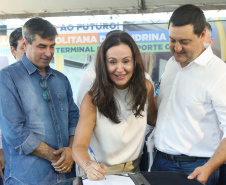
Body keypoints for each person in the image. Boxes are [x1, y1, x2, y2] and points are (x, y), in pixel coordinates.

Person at [151, 4, 226, 185]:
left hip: (194, 168)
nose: (177, 48)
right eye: (172, 40)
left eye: (184, 42)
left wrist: (208, 168)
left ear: (202, 36)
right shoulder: (171, 64)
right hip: (159, 161)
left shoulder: (219, 73)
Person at [0, 17, 79, 185]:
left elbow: (74, 118)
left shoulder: (61, 80)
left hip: (65, 178)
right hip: (26, 179)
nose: (49, 53)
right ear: (25, 44)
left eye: (52, 47)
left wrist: (71, 150)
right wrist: (58, 157)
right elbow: (15, 132)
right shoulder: (7, 78)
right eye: (42, 46)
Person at [72, 31, 157, 180]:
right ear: (103, 64)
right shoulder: (92, 99)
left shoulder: (146, 87)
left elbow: (152, 119)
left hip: (135, 169)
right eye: (112, 62)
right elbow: (78, 147)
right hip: (101, 173)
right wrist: (88, 165)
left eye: (126, 61)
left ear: (134, 61)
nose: (120, 69)